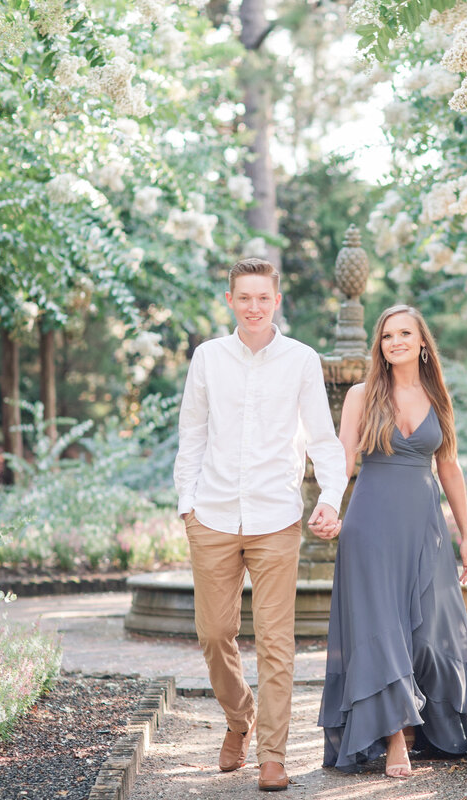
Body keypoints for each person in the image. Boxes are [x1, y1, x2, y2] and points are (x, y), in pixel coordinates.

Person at [174, 257, 347, 792]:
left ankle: (273, 754)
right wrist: (188, 505)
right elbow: (193, 435)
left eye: (263, 298)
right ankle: (238, 718)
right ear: (231, 301)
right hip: (214, 515)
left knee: (276, 641)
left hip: (275, 517)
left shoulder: (300, 360)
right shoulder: (208, 358)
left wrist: (331, 497)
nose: (253, 307)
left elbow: (322, 438)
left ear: (277, 301)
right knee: (214, 633)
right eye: (244, 298)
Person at [317, 304, 467, 778]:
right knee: (381, 629)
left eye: (405, 333)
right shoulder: (361, 395)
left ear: (423, 341)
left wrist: (465, 534)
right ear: (380, 346)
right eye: (387, 336)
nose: (396, 342)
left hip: (424, 525)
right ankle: (393, 740)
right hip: (369, 525)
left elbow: (449, 466)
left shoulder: (438, 396)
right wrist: (329, 505)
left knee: (427, 631)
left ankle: (422, 725)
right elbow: (343, 460)